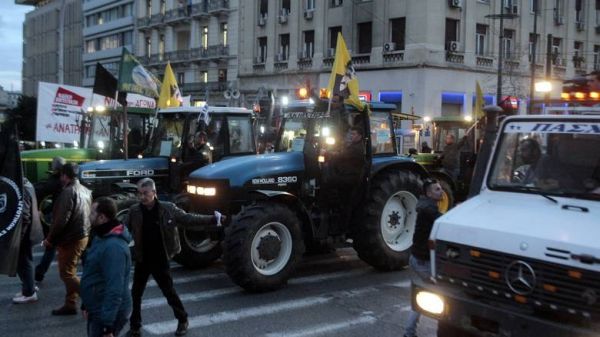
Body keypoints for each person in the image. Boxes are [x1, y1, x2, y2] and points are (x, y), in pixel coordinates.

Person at [127, 178, 224, 337]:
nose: (142, 197)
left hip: (160, 258)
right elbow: (124, 230)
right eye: (139, 194)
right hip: (142, 258)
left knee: (169, 292)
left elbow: (189, 219)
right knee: (136, 294)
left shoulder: (168, 209)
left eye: (145, 193)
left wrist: (214, 219)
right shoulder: (134, 211)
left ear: (154, 193)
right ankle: (135, 327)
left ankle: (182, 319)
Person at [43, 163, 92, 316]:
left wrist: (49, 239)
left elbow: (60, 221)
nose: (60, 178)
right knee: (71, 271)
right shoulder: (85, 190)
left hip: (71, 238)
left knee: (67, 274)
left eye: (61, 175)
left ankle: (92, 301)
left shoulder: (68, 192)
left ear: (65, 175)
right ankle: (70, 304)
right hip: (82, 235)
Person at [81, 197, 132, 337]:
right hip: (97, 306)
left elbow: (115, 289)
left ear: (102, 217)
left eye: (92, 213)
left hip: (107, 312)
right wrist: (86, 304)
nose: (89, 216)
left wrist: (107, 327)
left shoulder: (113, 247)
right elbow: (92, 273)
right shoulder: (101, 236)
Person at [404, 178, 444, 337]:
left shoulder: (427, 207)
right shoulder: (429, 210)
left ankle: (409, 332)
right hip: (422, 263)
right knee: (443, 297)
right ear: (428, 193)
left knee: (421, 297)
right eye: (437, 189)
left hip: (417, 259)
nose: (441, 191)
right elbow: (442, 221)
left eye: (440, 188)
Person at [12, 177, 43, 304]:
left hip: (24, 233)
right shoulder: (27, 183)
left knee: (23, 262)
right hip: (31, 231)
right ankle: (28, 287)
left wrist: (18, 236)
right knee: (26, 261)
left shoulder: (21, 187)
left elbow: (24, 216)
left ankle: (29, 292)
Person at [35, 156, 65, 283]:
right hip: (60, 218)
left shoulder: (55, 182)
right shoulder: (63, 181)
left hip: (55, 219)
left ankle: (39, 273)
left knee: (51, 246)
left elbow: (45, 194)